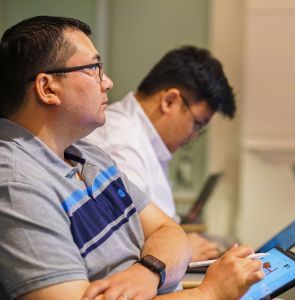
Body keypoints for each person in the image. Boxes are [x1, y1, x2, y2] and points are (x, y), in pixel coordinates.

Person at [0, 16, 263, 300]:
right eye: (94, 69)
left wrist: (148, 270)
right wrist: (210, 293)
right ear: (48, 88)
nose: (108, 82)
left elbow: (168, 230)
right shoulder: (18, 185)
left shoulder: (87, 154)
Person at [85, 46, 236, 262]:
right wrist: (185, 250)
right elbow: (126, 248)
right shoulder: (122, 146)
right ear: (170, 101)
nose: (194, 136)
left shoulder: (146, 140)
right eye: (197, 124)